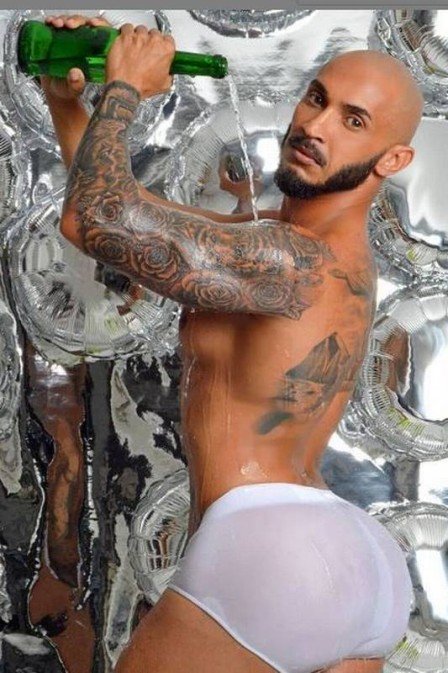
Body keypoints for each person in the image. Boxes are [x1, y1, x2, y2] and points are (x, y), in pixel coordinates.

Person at [41, 14, 423, 673]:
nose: (316, 126)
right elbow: (124, 222)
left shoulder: (289, 259)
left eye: (354, 121)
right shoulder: (291, 247)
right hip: (362, 567)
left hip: (273, 556)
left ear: (392, 160)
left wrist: (125, 90)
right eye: (317, 98)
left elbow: (95, 217)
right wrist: (66, 104)